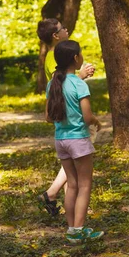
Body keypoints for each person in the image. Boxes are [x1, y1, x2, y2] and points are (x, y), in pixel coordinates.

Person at [46, 40, 103, 243]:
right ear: (75, 59)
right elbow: (87, 117)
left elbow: (48, 116)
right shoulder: (79, 83)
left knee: (72, 185)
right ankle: (78, 229)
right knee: (85, 185)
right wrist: (97, 122)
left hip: (60, 140)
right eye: (80, 54)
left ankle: (72, 229)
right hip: (78, 139)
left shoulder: (52, 83)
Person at [37, 19, 95, 216]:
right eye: (63, 28)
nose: (67, 29)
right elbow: (62, 84)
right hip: (73, 123)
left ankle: (72, 218)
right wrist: (81, 77)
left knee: (73, 182)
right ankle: (54, 195)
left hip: (61, 130)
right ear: (56, 35)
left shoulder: (53, 56)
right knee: (80, 178)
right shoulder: (54, 58)